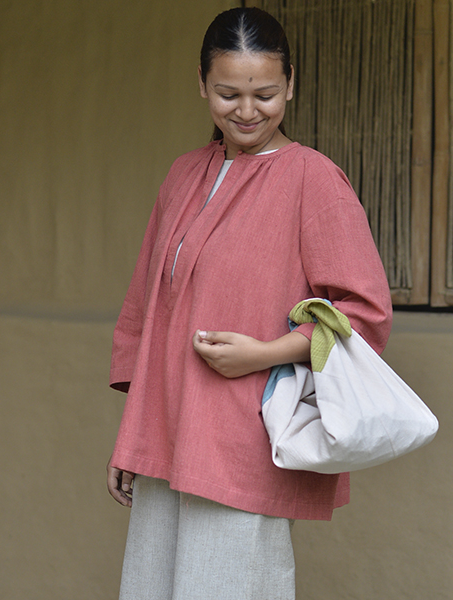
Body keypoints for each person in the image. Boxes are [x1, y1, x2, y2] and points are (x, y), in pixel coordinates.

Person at [106, 7, 392, 600]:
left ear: (291, 83)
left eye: (264, 93)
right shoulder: (184, 175)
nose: (246, 110)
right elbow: (144, 312)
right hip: (166, 433)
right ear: (202, 86)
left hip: (246, 444)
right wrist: (132, 438)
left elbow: (362, 315)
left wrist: (263, 353)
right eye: (227, 93)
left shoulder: (313, 179)